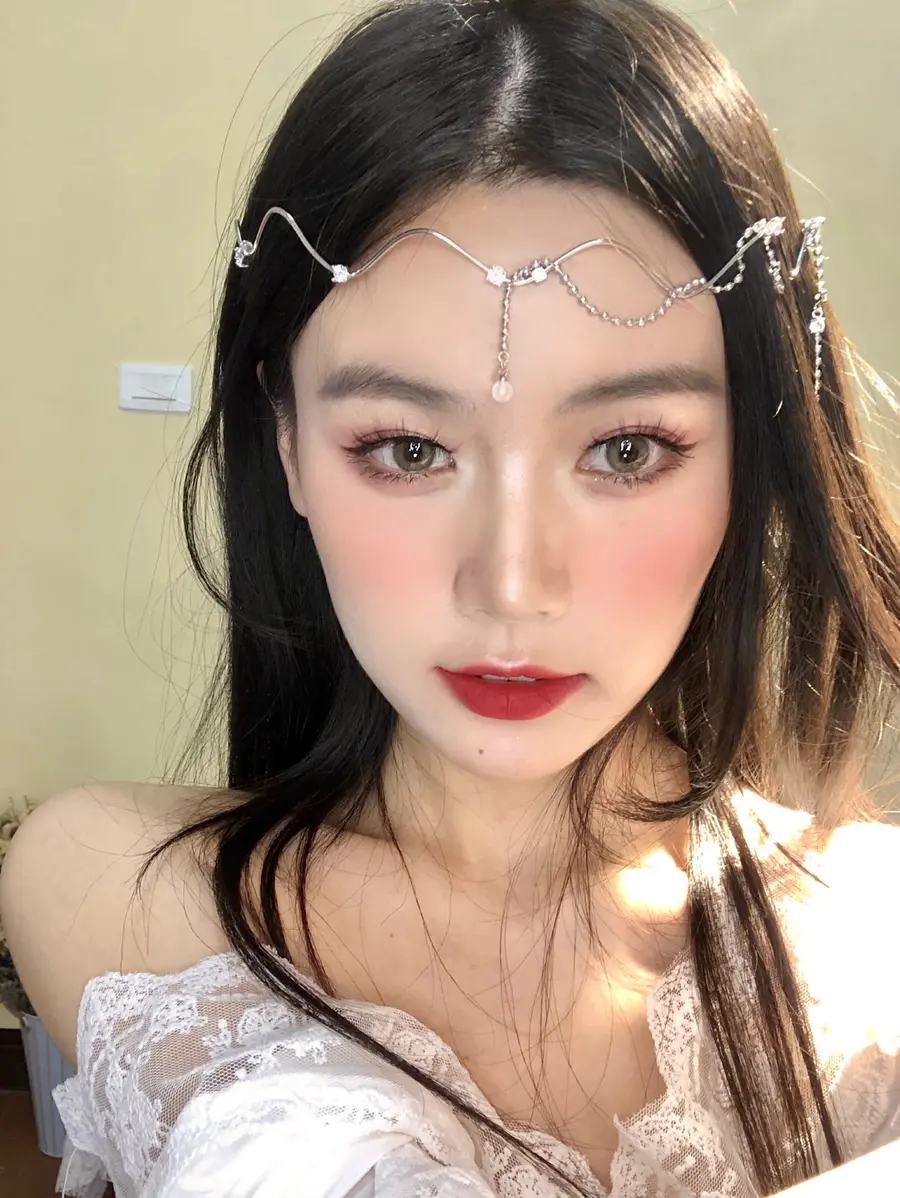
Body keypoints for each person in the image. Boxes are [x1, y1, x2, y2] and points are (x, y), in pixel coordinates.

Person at [2, 0, 899, 1194]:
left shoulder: (872, 928)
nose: (511, 584)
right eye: (408, 449)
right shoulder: (128, 891)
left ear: (753, 456)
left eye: (627, 448)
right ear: (289, 449)